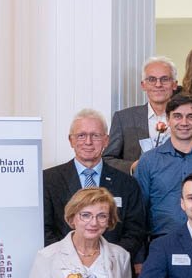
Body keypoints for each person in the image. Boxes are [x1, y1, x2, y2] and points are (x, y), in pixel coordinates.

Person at [44, 109, 148, 258]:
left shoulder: (127, 183)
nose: (88, 142)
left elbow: (135, 232)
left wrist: (106, 258)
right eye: (81, 136)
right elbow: (45, 230)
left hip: (113, 267)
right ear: (71, 140)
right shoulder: (49, 180)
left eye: (95, 136)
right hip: (63, 267)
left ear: (106, 140)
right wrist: (71, 258)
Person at [136, 94, 192, 239]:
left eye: (191, 117)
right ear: (168, 120)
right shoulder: (148, 161)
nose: (184, 122)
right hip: (160, 241)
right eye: (177, 116)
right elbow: (138, 211)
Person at [108, 57, 178, 170]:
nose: (158, 84)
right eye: (152, 79)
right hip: (137, 185)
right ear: (143, 85)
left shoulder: (188, 119)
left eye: (164, 79)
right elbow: (108, 159)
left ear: (174, 84)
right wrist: (132, 167)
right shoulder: (124, 118)